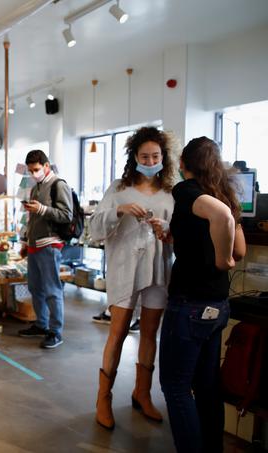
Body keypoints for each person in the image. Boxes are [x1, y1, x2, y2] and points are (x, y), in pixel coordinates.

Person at [156, 137, 246, 453]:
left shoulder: (187, 192)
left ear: (183, 164)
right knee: (207, 387)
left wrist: (223, 261)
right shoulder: (223, 194)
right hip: (217, 305)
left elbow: (221, 219)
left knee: (176, 387)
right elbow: (241, 247)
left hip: (190, 304)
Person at [88, 126, 175, 429]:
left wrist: (166, 230)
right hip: (125, 268)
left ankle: (143, 393)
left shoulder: (170, 192)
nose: (150, 161)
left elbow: (178, 235)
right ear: (134, 157)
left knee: (150, 333)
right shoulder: (118, 188)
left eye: (155, 156)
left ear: (163, 157)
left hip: (158, 270)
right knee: (118, 331)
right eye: (144, 156)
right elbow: (95, 228)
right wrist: (120, 210)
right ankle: (103, 397)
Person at [17, 150, 73, 349]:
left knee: (51, 290)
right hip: (34, 245)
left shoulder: (59, 185)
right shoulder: (36, 187)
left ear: (46, 166)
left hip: (49, 245)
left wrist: (42, 209)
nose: (34, 173)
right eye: (31, 171)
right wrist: (25, 242)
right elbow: (32, 219)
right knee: (35, 287)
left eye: (37, 169)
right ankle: (42, 324)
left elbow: (67, 215)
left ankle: (55, 332)